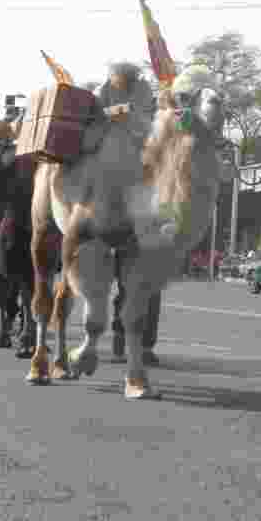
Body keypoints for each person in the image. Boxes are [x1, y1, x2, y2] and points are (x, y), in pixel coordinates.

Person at [94, 61, 162, 365]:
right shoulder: (102, 91)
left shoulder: (147, 91)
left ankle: (144, 343)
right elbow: (93, 125)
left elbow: (155, 127)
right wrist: (120, 113)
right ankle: (119, 337)